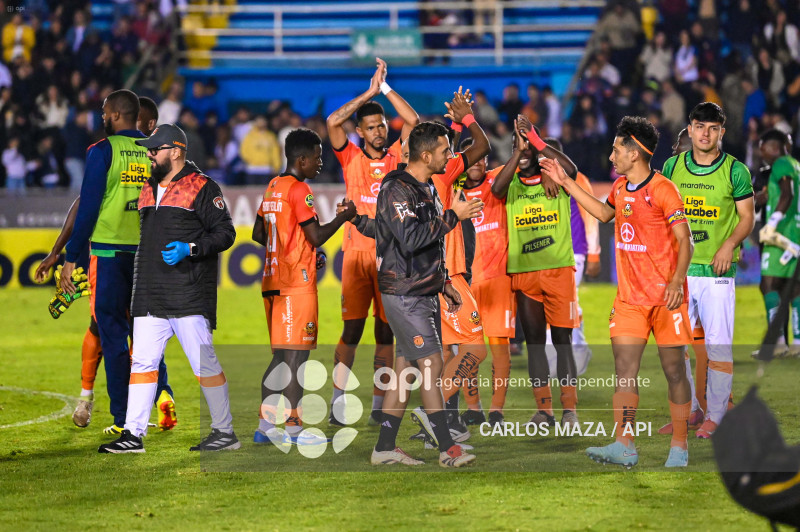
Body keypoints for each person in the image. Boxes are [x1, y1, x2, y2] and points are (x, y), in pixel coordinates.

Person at [541, 116, 694, 468]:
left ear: (635, 153)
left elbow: (685, 241)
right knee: (624, 372)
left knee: (674, 372)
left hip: (666, 299)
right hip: (629, 301)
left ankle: (680, 445)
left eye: (616, 149)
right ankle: (624, 444)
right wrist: (566, 182)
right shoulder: (621, 188)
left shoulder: (664, 190)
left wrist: (675, 282)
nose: (611, 157)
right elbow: (602, 212)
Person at [35, 95, 176, 431]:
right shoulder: (160, 151)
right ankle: (159, 396)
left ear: (115, 115)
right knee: (143, 337)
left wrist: (68, 257)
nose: (101, 116)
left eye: (103, 112)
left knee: (110, 335)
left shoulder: (102, 151)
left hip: (110, 255)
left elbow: (87, 209)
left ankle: (124, 420)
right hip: (148, 256)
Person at [99, 124, 238, 453]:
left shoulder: (202, 186)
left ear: (175, 152)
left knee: (204, 365)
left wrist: (190, 248)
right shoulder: (146, 188)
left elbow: (226, 233)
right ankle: (133, 435)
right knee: (143, 364)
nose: (149, 154)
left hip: (189, 295)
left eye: (154, 149)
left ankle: (224, 431)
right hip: (149, 294)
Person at [353, 122, 483, 467]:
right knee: (432, 365)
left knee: (406, 371)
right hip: (404, 293)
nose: (450, 156)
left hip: (422, 290)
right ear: (425, 155)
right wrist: (454, 216)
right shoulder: (396, 188)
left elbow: (429, 246)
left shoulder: (425, 187)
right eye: (444, 151)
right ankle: (446, 448)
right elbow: (410, 239)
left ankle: (383, 448)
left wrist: (443, 283)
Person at [325, 58, 419, 425]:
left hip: (391, 258)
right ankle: (337, 402)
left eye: (381, 126)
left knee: (385, 331)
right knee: (352, 329)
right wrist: (367, 91)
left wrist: (386, 90)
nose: (379, 131)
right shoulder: (348, 156)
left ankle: (380, 406)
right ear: (360, 133)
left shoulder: (398, 155)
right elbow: (333, 122)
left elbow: (411, 121)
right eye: (371, 127)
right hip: (356, 258)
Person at [252, 128, 357, 446]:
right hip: (294, 285)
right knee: (297, 358)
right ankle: (295, 428)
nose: (320, 163)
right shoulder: (299, 190)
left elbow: (260, 233)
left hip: (272, 281)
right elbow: (315, 236)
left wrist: (303, 252)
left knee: (281, 358)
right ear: (301, 159)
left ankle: (266, 426)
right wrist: (344, 217)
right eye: (317, 157)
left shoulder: (273, 186)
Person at [660, 103, 754, 439]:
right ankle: (689, 412)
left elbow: (747, 217)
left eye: (713, 128)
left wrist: (729, 245)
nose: (705, 134)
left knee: (717, 347)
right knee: (676, 347)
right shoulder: (672, 167)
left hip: (715, 275)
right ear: (690, 128)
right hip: (680, 273)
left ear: (721, 132)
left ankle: (716, 416)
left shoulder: (735, 171)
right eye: (700, 126)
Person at [491, 115, 581, 429]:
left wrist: (539, 145)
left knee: (562, 342)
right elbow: (496, 190)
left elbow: (572, 171)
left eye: (530, 142)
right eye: (520, 142)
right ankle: (545, 410)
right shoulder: (510, 179)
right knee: (534, 345)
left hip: (558, 272)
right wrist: (518, 151)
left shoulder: (555, 175)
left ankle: (569, 409)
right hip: (525, 274)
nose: (525, 148)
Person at [461, 137, 515, 427]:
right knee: (468, 349)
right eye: (474, 158)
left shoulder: (497, 182)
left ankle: (497, 410)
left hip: (496, 281)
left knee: (498, 348)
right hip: (466, 283)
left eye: (484, 158)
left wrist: (522, 145)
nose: (480, 163)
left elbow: (521, 164)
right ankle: (473, 407)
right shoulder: (452, 192)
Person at [758, 129, 800, 351]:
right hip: (796, 231)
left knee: (769, 284)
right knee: (795, 289)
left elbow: (787, 193)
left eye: (762, 148)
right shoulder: (796, 165)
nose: (760, 153)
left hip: (781, 233)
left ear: (771, 147)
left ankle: (778, 343)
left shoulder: (781, 163)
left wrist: (772, 223)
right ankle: (797, 343)